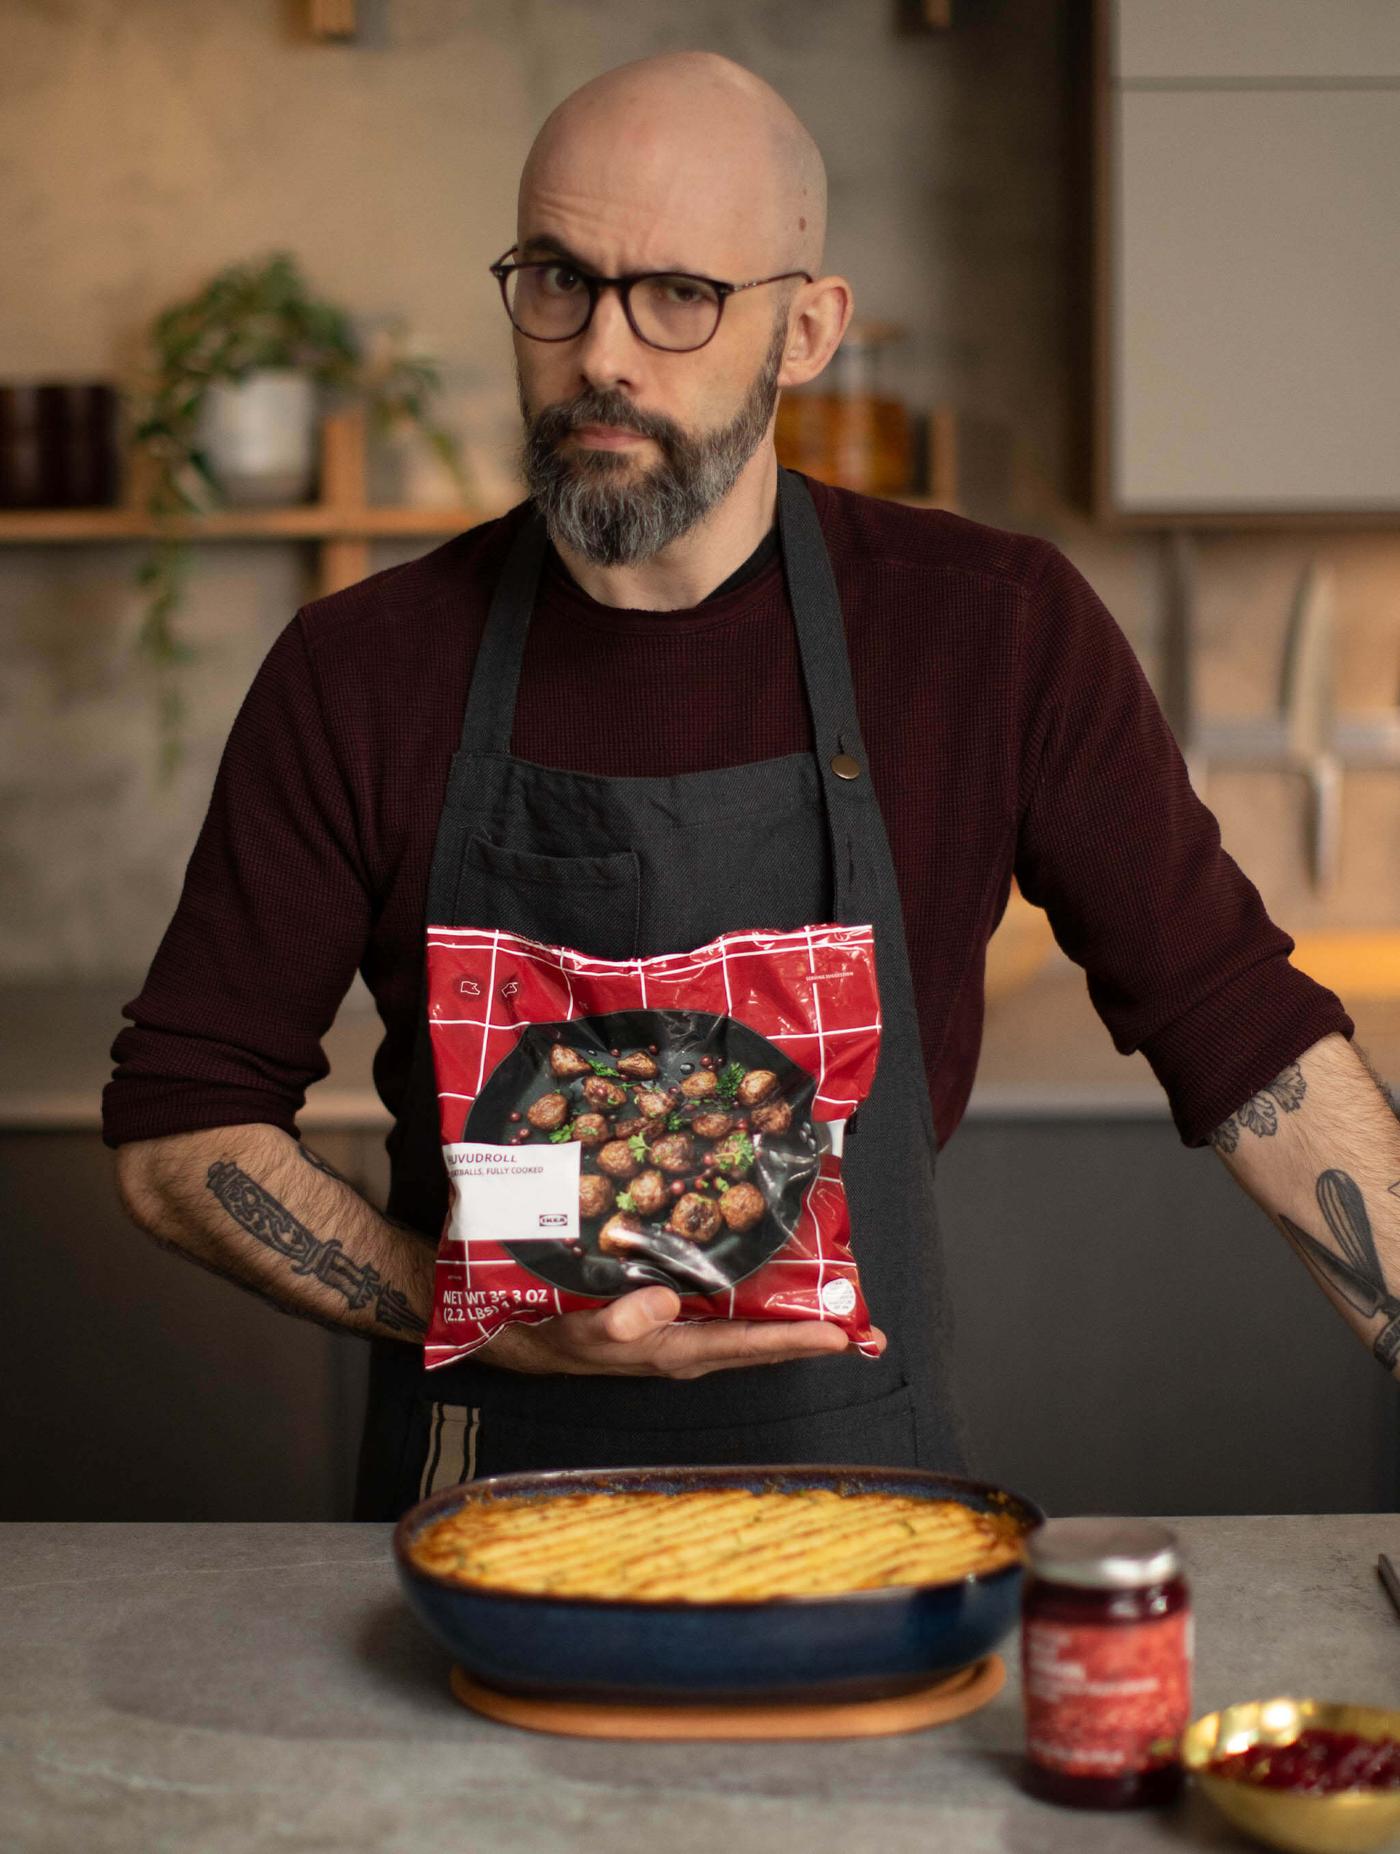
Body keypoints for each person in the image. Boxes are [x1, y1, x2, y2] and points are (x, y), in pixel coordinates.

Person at [106, 51, 1386, 1521]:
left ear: (808, 329)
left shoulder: (990, 631)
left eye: (678, 296)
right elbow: (178, 1130)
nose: (602, 352)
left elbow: (1248, 1043)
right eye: (558, 280)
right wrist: (471, 1301)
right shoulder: (362, 670)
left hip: (865, 1512)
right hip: (478, 1524)